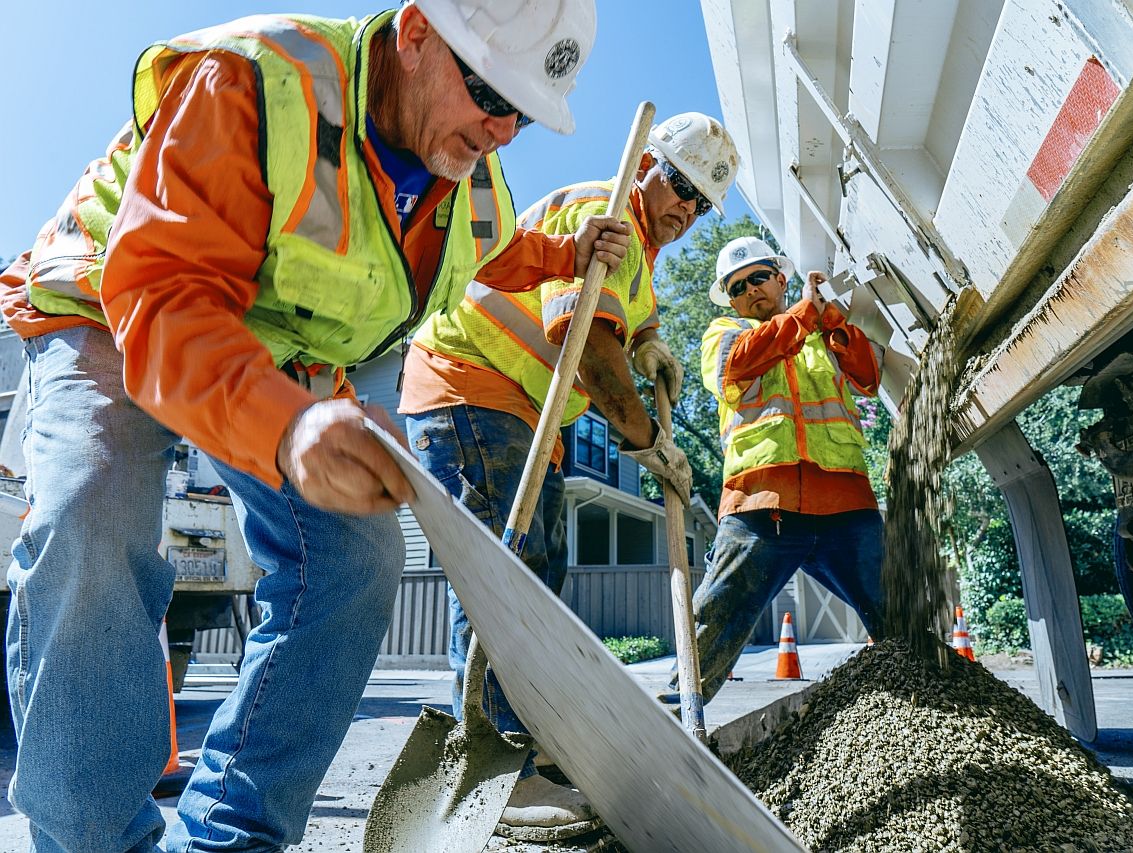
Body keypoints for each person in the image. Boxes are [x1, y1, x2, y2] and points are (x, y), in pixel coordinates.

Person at [5, 3, 633, 851]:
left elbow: (500, 251)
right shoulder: (258, 82)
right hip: (113, 304)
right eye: (489, 91)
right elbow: (164, 299)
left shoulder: (474, 186)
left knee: (359, 554)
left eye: (524, 111)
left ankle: (232, 834)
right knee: (93, 512)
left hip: (269, 346)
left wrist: (569, 252)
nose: (503, 129)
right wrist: (288, 428)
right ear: (414, 35)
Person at [399, 112, 739, 840]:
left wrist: (649, 340)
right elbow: (588, 353)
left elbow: (624, 320)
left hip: (526, 419)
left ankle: (530, 740)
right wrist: (650, 444)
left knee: (539, 582)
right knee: (504, 576)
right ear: (646, 164)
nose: (685, 207)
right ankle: (497, 768)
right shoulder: (605, 209)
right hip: (471, 386)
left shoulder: (639, 254)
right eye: (679, 183)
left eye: (701, 202)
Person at [668, 236, 884, 706]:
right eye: (736, 286)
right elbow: (738, 363)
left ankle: (934, 703)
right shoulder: (724, 333)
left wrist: (831, 322)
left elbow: (868, 378)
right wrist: (806, 314)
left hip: (845, 504)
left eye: (758, 278)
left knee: (899, 612)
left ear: (781, 279)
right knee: (713, 619)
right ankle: (671, 716)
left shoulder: (823, 335)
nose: (748, 291)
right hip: (761, 504)